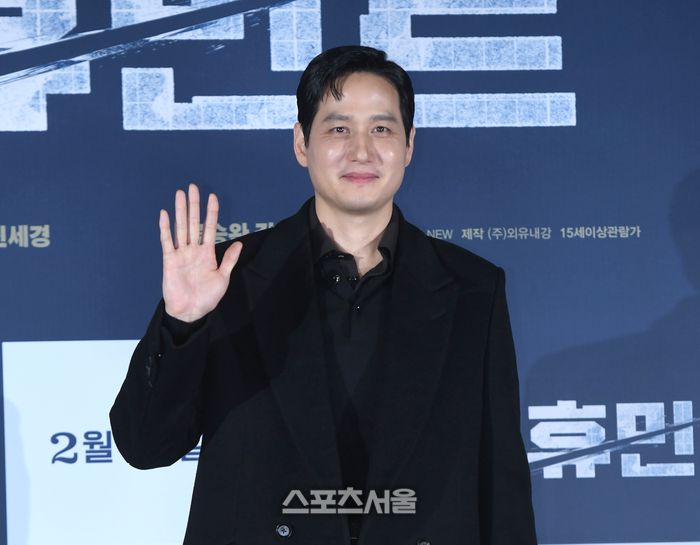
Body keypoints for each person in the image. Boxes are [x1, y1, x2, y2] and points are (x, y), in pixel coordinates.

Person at [110, 45, 537, 545]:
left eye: (382, 129)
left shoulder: (473, 287)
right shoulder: (228, 278)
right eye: (338, 129)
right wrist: (183, 324)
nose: (361, 150)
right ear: (301, 143)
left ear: (409, 145)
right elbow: (145, 446)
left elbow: (501, 482)